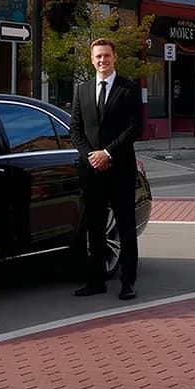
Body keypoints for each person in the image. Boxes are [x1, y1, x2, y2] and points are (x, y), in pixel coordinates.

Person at [68, 37, 143, 301]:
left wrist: (107, 153)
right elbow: (74, 128)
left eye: (107, 56)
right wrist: (91, 155)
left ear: (114, 58)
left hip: (120, 168)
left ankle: (128, 282)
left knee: (124, 226)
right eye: (98, 56)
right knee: (95, 226)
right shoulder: (82, 90)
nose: (103, 60)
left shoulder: (129, 88)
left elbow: (135, 128)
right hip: (92, 170)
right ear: (92, 59)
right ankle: (96, 280)